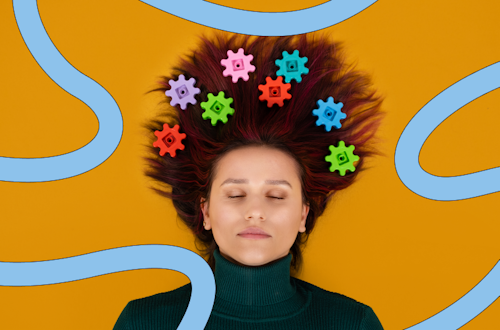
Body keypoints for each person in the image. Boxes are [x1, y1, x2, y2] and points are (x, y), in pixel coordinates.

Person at [113, 32, 384, 329]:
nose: (255, 211)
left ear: (303, 214)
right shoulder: (145, 322)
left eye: (276, 196)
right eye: (235, 194)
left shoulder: (351, 323)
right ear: (205, 212)